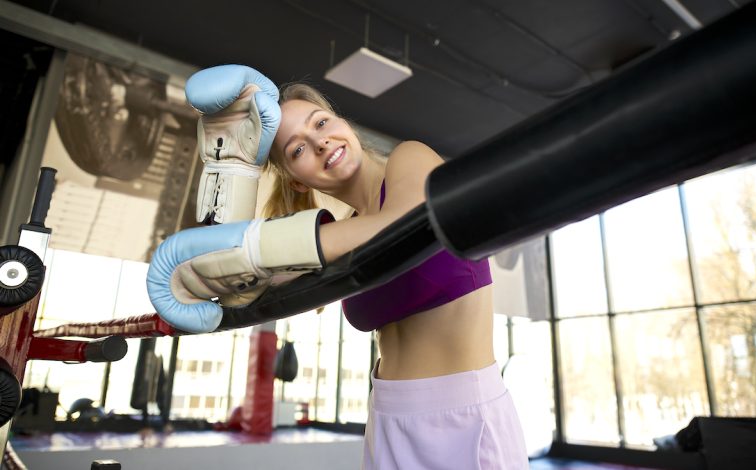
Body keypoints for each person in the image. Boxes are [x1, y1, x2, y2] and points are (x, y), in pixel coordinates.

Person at [147, 65, 529, 469]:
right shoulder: (335, 238)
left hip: (465, 418)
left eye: (322, 122)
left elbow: (400, 225)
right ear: (295, 180)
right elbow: (236, 288)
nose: (320, 141)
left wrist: (258, 248)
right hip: (386, 417)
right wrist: (237, 170)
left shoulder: (410, 158)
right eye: (296, 149)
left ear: (342, 122)